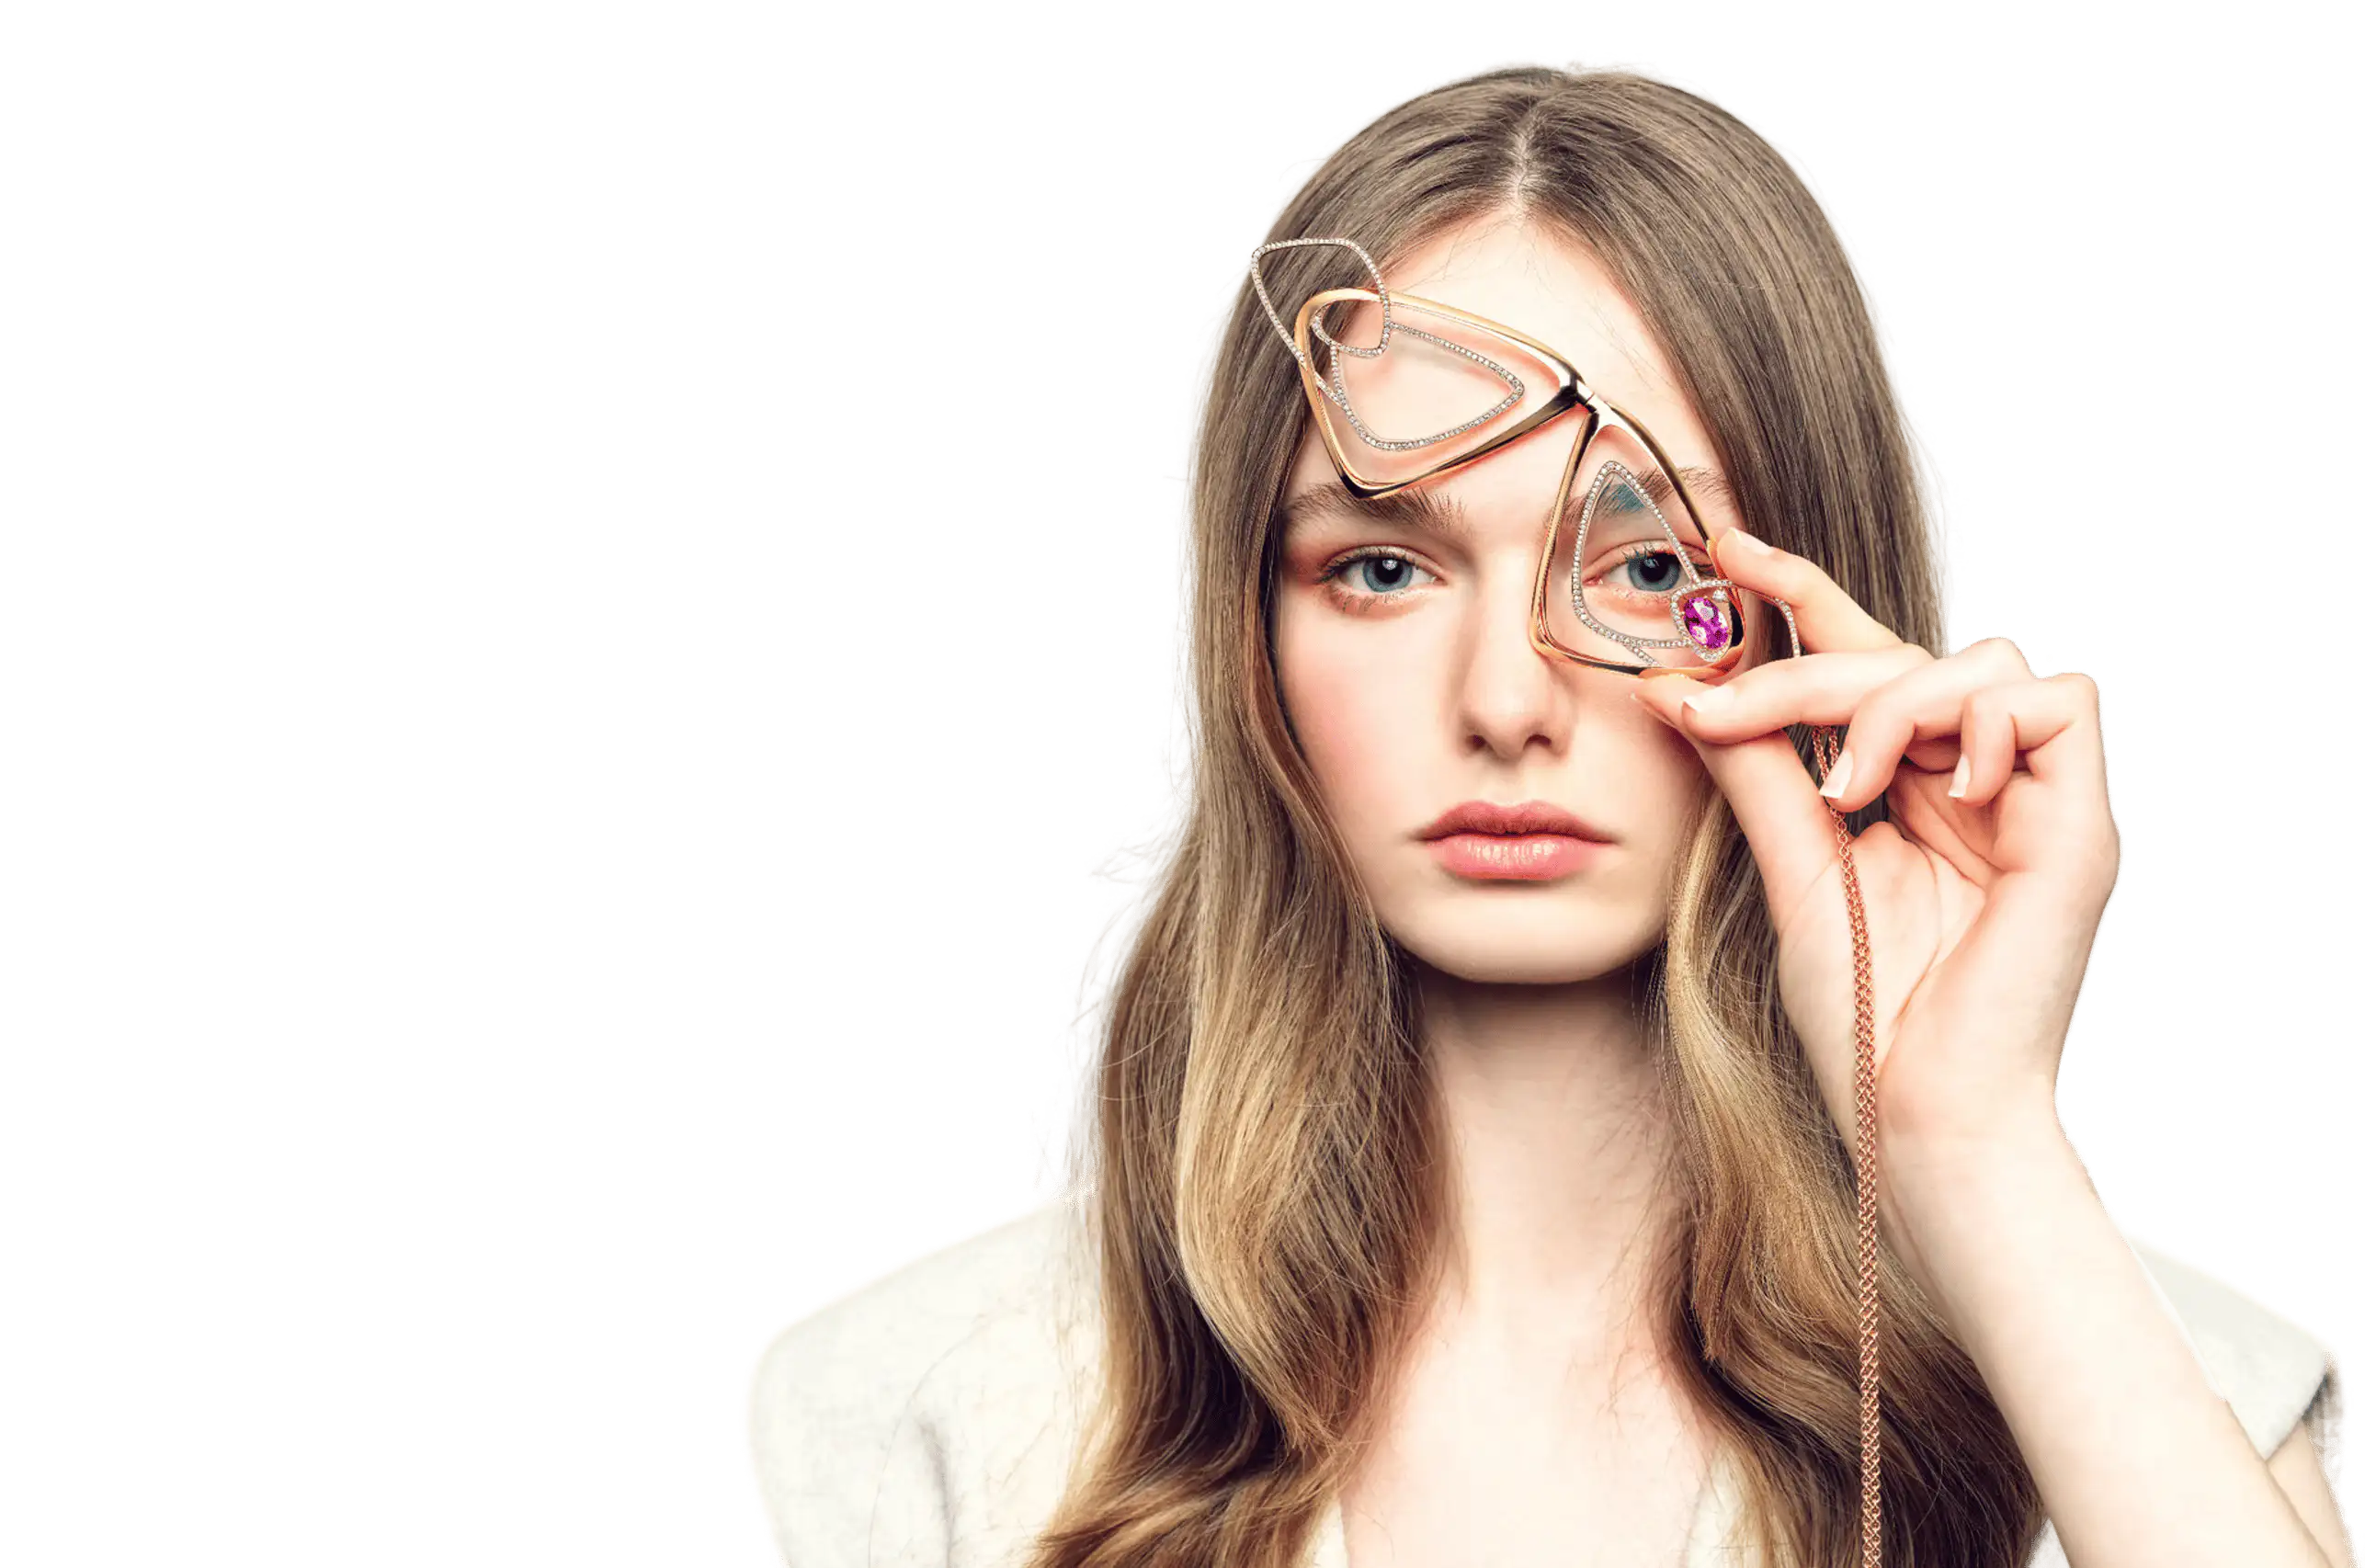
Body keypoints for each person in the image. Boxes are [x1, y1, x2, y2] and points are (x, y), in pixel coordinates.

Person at [738, 54, 2355, 1567]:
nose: (1506, 702)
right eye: (1380, 565)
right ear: (1255, 638)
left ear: (1816, 617)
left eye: (1651, 566)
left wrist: (1971, 1135)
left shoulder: (2135, 1379)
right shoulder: (934, 1406)